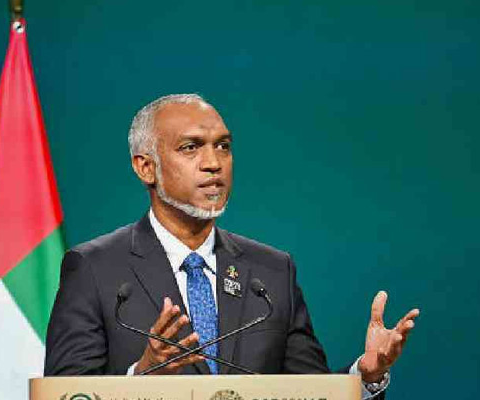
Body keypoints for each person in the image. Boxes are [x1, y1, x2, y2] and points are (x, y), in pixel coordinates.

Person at [44, 94, 419, 398]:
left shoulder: (272, 271)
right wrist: (140, 378)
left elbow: (310, 392)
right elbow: (66, 394)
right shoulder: (94, 268)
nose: (213, 163)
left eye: (223, 146)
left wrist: (365, 376)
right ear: (146, 167)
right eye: (190, 147)